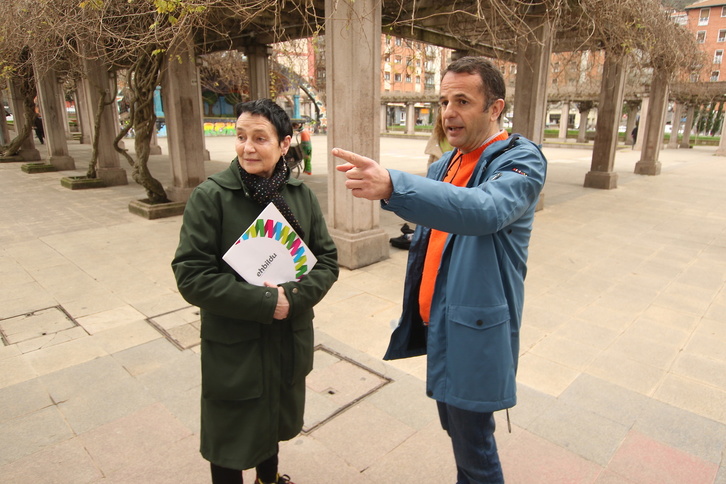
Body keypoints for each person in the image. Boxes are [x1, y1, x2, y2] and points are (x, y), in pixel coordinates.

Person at [333, 56, 547, 483]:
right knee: (457, 431)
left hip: (476, 332)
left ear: (496, 108)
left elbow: (483, 210)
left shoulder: (521, 160)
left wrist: (395, 186)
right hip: (441, 325)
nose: (449, 113)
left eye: (463, 101)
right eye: (444, 100)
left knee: (476, 450)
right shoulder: (444, 165)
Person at [172, 98, 338, 484]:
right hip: (235, 342)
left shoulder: (301, 196)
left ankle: (269, 479)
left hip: (286, 337)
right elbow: (191, 275)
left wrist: (292, 299)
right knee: (229, 436)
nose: (247, 147)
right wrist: (266, 301)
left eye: (260, 138)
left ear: (284, 144)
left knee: (274, 420)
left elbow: (327, 260)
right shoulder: (211, 197)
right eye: (241, 136)